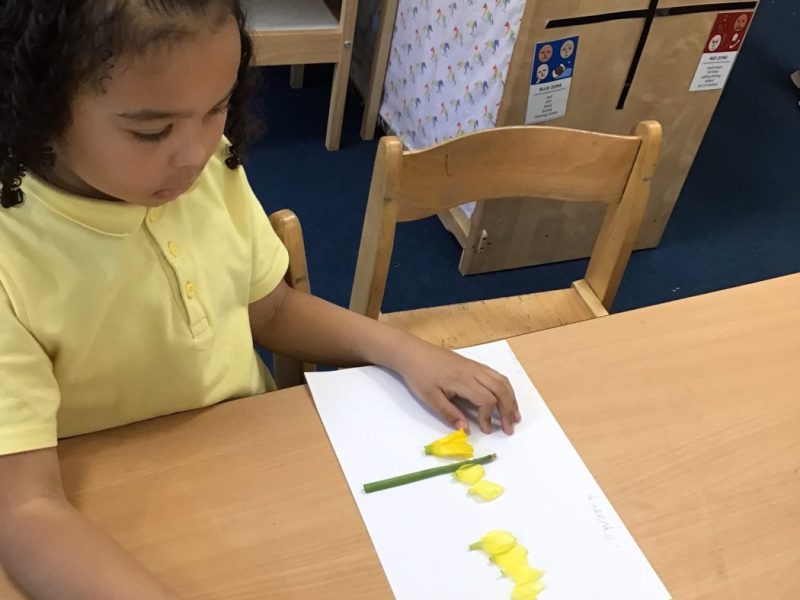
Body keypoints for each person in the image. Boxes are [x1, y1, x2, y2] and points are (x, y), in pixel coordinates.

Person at [0, 2, 520, 598]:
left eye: (217, 108)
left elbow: (270, 310)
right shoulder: (13, 261)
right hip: (120, 521)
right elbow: (24, 510)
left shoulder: (207, 171)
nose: (196, 153)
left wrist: (404, 351)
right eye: (152, 131)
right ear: (37, 102)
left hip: (258, 466)